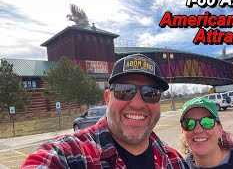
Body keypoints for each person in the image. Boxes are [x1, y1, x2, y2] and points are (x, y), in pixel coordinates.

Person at [22, 54, 189, 169]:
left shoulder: (176, 161)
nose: (138, 104)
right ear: (107, 98)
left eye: (150, 93)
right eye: (125, 91)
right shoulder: (68, 154)